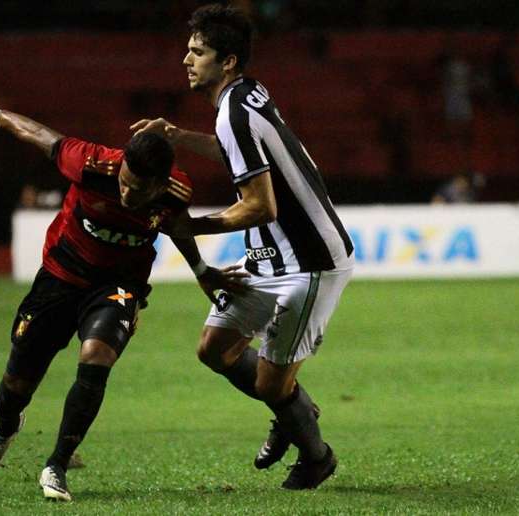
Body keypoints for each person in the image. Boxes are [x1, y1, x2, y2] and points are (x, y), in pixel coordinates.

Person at [0, 78, 246, 501]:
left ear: (161, 183)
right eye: (126, 182)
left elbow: (176, 227)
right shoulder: (92, 164)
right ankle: (6, 426)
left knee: (97, 356)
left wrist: (202, 269)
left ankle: (57, 463)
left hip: (117, 286)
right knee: (18, 381)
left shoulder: (175, 191)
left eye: (139, 189)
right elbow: (40, 136)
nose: (128, 192)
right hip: (60, 276)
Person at [131, 4, 354, 490]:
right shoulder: (247, 94)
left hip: (309, 263)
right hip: (270, 256)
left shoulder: (234, 112)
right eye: (188, 50)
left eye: (198, 52)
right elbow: (234, 149)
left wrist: (190, 228)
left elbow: (260, 206)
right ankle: (293, 406)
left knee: (270, 384)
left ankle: (315, 455)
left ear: (227, 61)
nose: (186, 60)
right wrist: (175, 136)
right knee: (215, 349)